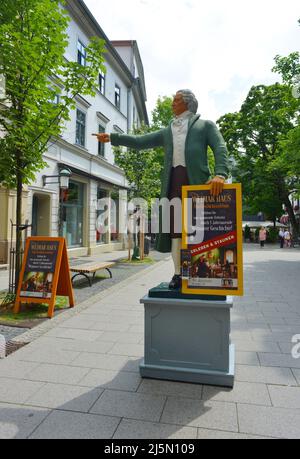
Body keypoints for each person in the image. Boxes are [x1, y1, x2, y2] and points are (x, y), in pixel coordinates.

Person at [93, 90, 229, 290]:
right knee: (176, 232)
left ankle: (201, 272)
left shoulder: (205, 126)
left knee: (197, 231)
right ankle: (178, 274)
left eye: (176, 101)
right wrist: (113, 137)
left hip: (197, 185)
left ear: (187, 104)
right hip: (173, 184)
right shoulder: (168, 131)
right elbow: (140, 142)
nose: (172, 104)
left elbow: (220, 147)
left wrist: (220, 174)